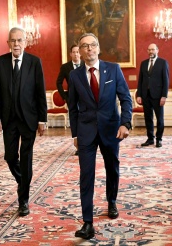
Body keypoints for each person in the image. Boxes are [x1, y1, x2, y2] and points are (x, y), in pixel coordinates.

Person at [68, 33, 132, 239]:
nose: (89, 49)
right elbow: (73, 108)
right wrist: (75, 134)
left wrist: (125, 122)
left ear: (98, 47)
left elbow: (125, 97)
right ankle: (87, 222)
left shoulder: (113, 69)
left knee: (112, 167)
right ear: (80, 50)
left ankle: (111, 201)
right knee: (86, 175)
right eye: (84, 46)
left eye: (92, 45)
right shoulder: (75, 75)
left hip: (111, 129)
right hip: (86, 131)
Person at [0, 27, 47, 217]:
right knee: (10, 156)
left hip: (29, 119)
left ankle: (23, 200)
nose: (16, 44)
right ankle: (23, 182)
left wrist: (42, 119)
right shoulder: (0, 62)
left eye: (19, 40)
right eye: (12, 41)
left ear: (25, 42)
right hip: (8, 120)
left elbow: (40, 93)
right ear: (8, 43)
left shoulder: (34, 62)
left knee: (26, 158)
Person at [137, 43, 169, 148]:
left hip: (158, 96)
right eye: (149, 49)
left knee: (160, 119)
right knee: (148, 118)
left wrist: (164, 96)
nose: (151, 51)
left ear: (157, 50)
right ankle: (150, 139)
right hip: (146, 96)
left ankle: (159, 139)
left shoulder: (163, 63)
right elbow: (140, 80)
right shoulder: (143, 63)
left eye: (153, 49)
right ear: (147, 51)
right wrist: (139, 95)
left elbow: (166, 80)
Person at [56, 45, 83, 155]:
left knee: (85, 121)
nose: (76, 54)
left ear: (80, 53)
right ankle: (78, 147)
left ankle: (86, 145)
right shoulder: (65, 67)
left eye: (77, 52)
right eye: (74, 52)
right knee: (74, 121)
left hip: (85, 100)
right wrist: (65, 97)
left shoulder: (85, 64)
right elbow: (58, 83)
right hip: (72, 99)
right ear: (70, 54)